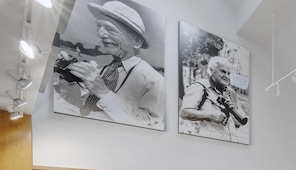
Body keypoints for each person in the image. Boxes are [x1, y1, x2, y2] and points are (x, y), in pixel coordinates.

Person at [54, 0, 164, 129]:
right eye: (99, 26)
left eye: (110, 29)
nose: (100, 34)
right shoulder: (99, 61)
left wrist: (103, 92)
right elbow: (79, 101)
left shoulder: (155, 82)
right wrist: (69, 77)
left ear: (137, 41)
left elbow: (150, 125)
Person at [179, 56, 249, 141]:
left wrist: (232, 109)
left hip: (231, 142)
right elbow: (184, 112)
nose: (226, 76)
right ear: (211, 70)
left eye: (228, 73)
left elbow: (241, 122)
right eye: (223, 71)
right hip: (208, 141)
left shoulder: (231, 92)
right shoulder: (200, 87)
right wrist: (209, 115)